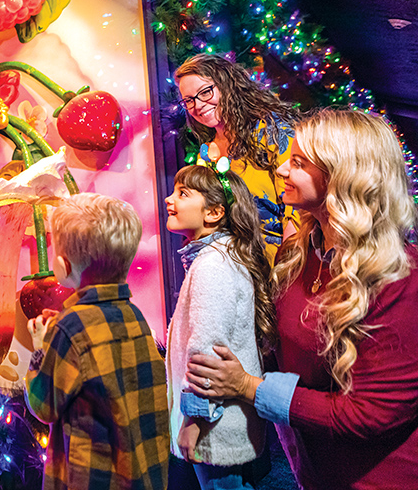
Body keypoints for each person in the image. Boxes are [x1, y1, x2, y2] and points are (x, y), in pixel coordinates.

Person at [184, 109, 418, 490]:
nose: (279, 169)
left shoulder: (399, 278)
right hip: (314, 470)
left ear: (343, 176)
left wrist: (250, 388)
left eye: (298, 161)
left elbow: (372, 413)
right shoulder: (303, 251)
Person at [25, 194, 169, 490]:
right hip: (142, 474)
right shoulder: (135, 316)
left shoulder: (70, 329)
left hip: (94, 479)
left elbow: (43, 405)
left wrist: (41, 346)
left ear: (63, 266)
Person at [164, 163, 274, 489]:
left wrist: (194, 421)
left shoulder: (214, 265)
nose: (170, 200)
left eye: (183, 193)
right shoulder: (218, 257)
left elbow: (207, 349)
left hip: (215, 428)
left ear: (213, 212)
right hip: (222, 423)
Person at [175, 54, 299, 259]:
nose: (197, 106)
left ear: (227, 85)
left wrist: (287, 269)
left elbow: (298, 208)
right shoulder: (206, 155)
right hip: (235, 268)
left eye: (205, 92)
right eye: (189, 100)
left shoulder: (271, 130)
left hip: (281, 262)